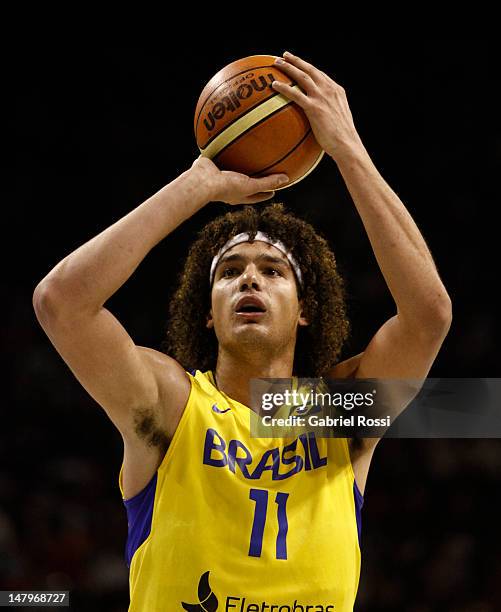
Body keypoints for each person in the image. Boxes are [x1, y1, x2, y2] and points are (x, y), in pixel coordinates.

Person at [33, 51, 452, 611]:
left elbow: (429, 316)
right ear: (208, 312)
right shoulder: (173, 406)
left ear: (305, 309)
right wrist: (196, 185)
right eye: (229, 273)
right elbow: (61, 303)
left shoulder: (335, 414)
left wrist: (346, 148)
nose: (248, 279)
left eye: (273, 271)